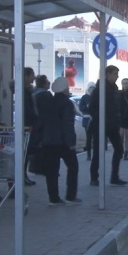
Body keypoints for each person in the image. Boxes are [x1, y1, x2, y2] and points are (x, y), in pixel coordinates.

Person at [36, 77, 81, 205]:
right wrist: (71, 143)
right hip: (62, 141)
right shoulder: (66, 103)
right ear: (64, 88)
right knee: (73, 166)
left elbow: (41, 122)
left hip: (48, 141)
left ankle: (53, 198)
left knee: (52, 170)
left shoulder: (48, 102)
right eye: (67, 86)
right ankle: (70, 196)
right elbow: (67, 124)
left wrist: (40, 138)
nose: (68, 89)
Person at [89, 66, 127, 186]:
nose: (117, 76)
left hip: (113, 125)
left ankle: (114, 177)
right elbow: (92, 108)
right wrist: (101, 119)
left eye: (117, 74)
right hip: (101, 125)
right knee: (98, 151)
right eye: (115, 74)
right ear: (108, 74)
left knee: (119, 148)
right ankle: (94, 177)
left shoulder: (114, 88)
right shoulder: (100, 88)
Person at [79, 82, 95, 161]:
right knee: (88, 138)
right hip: (87, 119)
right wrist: (86, 107)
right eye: (90, 88)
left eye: (93, 88)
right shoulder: (84, 97)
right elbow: (81, 108)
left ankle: (95, 154)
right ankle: (88, 155)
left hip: (95, 119)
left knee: (96, 138)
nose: (92, 89)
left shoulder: (96, 97)